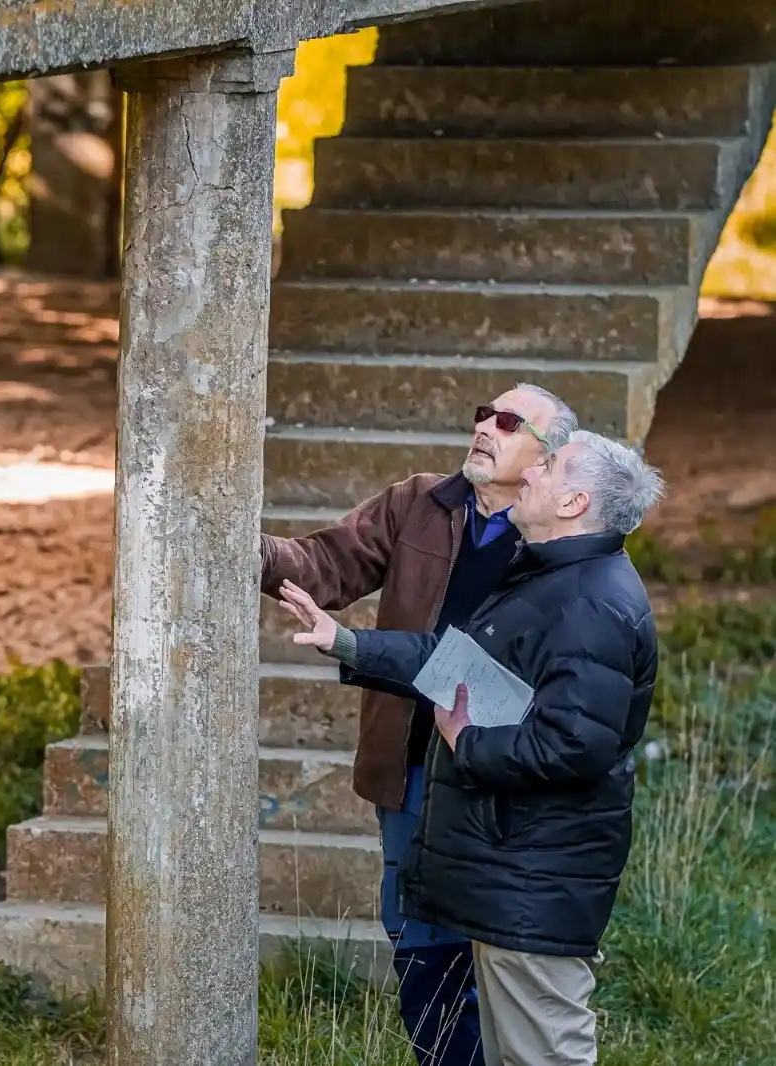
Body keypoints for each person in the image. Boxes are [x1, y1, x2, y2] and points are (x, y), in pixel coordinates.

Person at [280, 430, 665, 1066]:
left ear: (574, 502)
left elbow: (574, 746)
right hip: (513, 871)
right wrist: (346, 642)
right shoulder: (552, 576)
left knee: (543, 1055)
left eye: (548, 466)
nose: (530, 473)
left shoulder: (589, 602)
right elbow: (456, 663)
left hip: (535, 877)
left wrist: (469, 743)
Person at [259, 383, 576, 1066]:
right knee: (417, 948)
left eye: (509, 421)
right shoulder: (420, 502)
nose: (485, 427)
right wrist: (252, 553)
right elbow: (328, 563)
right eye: (482, 415)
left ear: (549, 459)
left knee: (493, 955)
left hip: (503, 773)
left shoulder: (558, 534)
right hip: (410, 767)